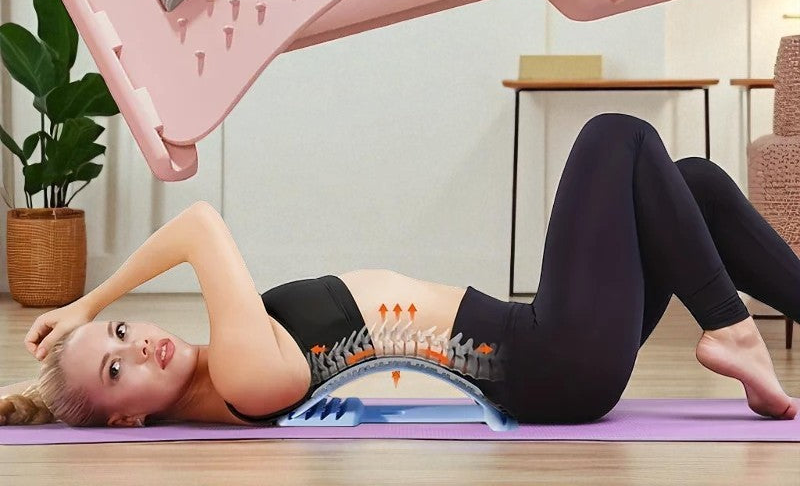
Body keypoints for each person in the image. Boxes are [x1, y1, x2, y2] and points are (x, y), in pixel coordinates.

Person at [1, 112, 797, 427]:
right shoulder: (241, 376)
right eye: (115, 369)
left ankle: (741, 329)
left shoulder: (231, 357)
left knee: (691, 183)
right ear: (126, 420)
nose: (137, 345)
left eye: (120, 330)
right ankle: (732, 332)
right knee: (616, 135)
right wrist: (89, 302)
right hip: (550, 358)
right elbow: (200, 225)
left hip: (556, 357)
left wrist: (89, 312)